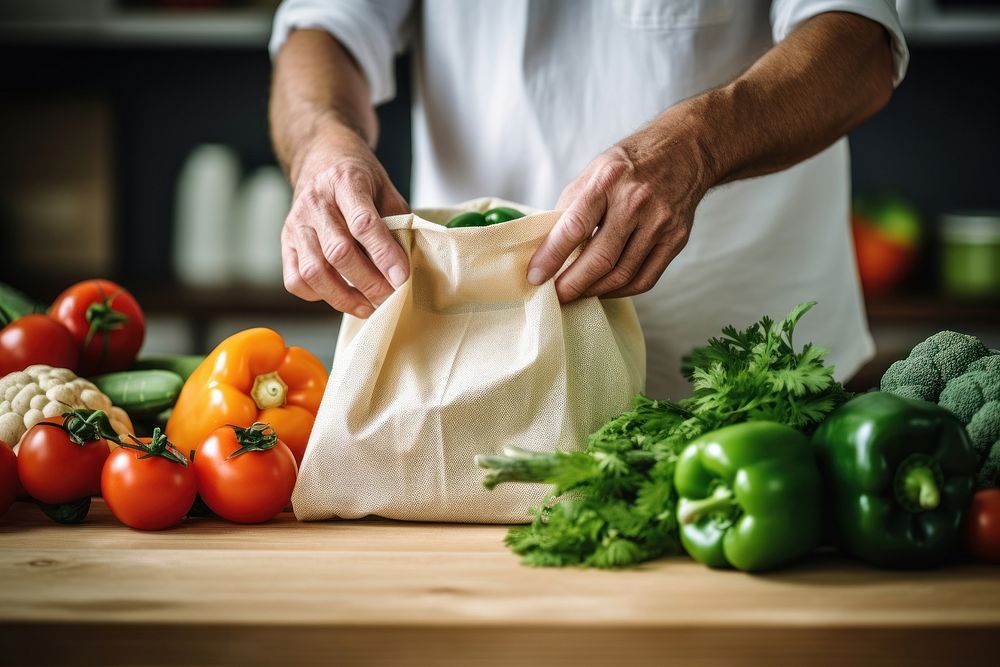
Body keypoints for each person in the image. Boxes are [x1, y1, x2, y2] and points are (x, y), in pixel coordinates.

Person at [268, 0, 908, 399]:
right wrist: (324, 139)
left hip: (759, 374)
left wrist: (699, 146)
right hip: (472, 380)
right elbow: (325, 26)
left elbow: (858, 37)